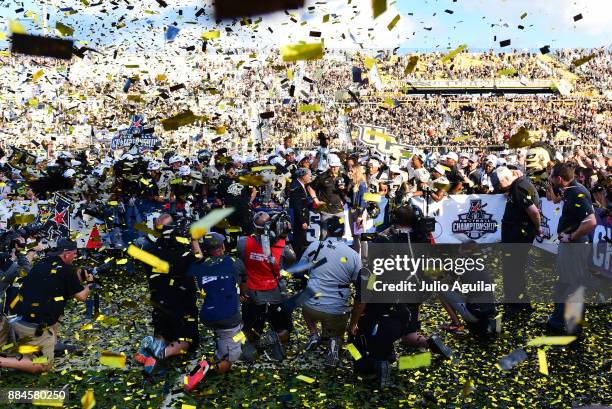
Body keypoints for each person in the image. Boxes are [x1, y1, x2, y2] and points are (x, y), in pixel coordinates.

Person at [350, 206, 451, 388]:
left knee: (366, 355)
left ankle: (382, 364)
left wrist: (353, 323)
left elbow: (364, 293)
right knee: (407, 335)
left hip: (387, 311)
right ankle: (428, 346)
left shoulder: (382, 250)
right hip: (411, 302)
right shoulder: (421, 239)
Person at [0, 238, 91, 373]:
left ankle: (47, 345)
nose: (76, 256)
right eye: (74, 253)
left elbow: (57, 281)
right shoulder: (67, 270)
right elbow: (82, 297)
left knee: (56, 306)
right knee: (43, 365)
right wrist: (89, 285)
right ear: (66, 253)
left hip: (15, 318)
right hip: (32, 327)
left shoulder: (43, 262)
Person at [134, 214, 200, 374]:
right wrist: (194, 240)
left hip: (159, 304)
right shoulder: (182, 253)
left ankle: (153, 345)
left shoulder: (149, 252)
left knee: (164, 333)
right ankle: (160, 354)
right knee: (188, 342)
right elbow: (199, 259)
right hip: (181, 305)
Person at [183, 233, 247, 392]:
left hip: (207, 315)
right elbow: (244, 283)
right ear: (223, 247)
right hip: (228, 315)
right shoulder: (235, 263)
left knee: (222, 335)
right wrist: (242, 295)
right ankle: (208, 368)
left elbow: (197, 254)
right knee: (231, 359)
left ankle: (219, 353)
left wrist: (194, 240)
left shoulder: (200, 265)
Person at [299, 216, 362, 366]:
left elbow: (300, 268)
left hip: (310, 307)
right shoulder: (352, 255)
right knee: (336, 330)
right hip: (335, 311)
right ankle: (334, 344)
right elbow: (359, 283)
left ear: (326, 230)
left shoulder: (314, 246)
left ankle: (313, 334)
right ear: (343, 232)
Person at [546, 163, 597, 335]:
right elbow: (554, 200)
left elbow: (591, 221)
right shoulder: (569, 191)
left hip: (575, 247)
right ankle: (558, 321)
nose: (551, 179)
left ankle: (574, 327)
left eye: (552, 176)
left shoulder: (577, 192)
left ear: (560, 179)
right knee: (564, 284)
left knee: (574, 286)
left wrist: (572, 236)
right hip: (569, 247)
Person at [237, 211, 295, 360]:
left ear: (254, 227)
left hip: (252, 292)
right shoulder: (281, 245)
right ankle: (272, 340)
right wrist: (284, 238)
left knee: (249, 327)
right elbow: (292, 259)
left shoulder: (243, 242)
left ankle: (249, 346)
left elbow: (241, 260)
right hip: (275, 292)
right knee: (285, 329)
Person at [492, 166, 542, 315]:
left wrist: (538, 228)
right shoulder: (519, 185)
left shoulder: (520, 187)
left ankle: (517, 304)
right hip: (516, 233)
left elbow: (534, 212)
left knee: (514, 270)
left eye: (499, 185)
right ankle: (517, 301)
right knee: (513, 269)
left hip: (519, 234)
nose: (499, 188)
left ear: (505, 179)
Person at [310, 154, 347, 239]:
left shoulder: (343, 176)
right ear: (329, 166)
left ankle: (337, 252)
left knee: (340, 233)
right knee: (324, 235)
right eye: (333, 166)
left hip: (339, 210)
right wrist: (316, 200)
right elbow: (311, 188)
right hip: (325, 211)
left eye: (337, 166)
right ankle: (323, 252)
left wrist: (344, 199)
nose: (335, 168)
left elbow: (350, 190)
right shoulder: (321, 177)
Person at [288, 168, 312, 260]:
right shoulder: (296, 187)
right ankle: (298, 262)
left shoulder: (301, 185)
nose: (310, 177)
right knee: (299, 242)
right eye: (309, 175)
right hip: (299, 221)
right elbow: (297, 206)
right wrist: (302, 221)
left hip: (302, 218)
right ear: (303, 176)